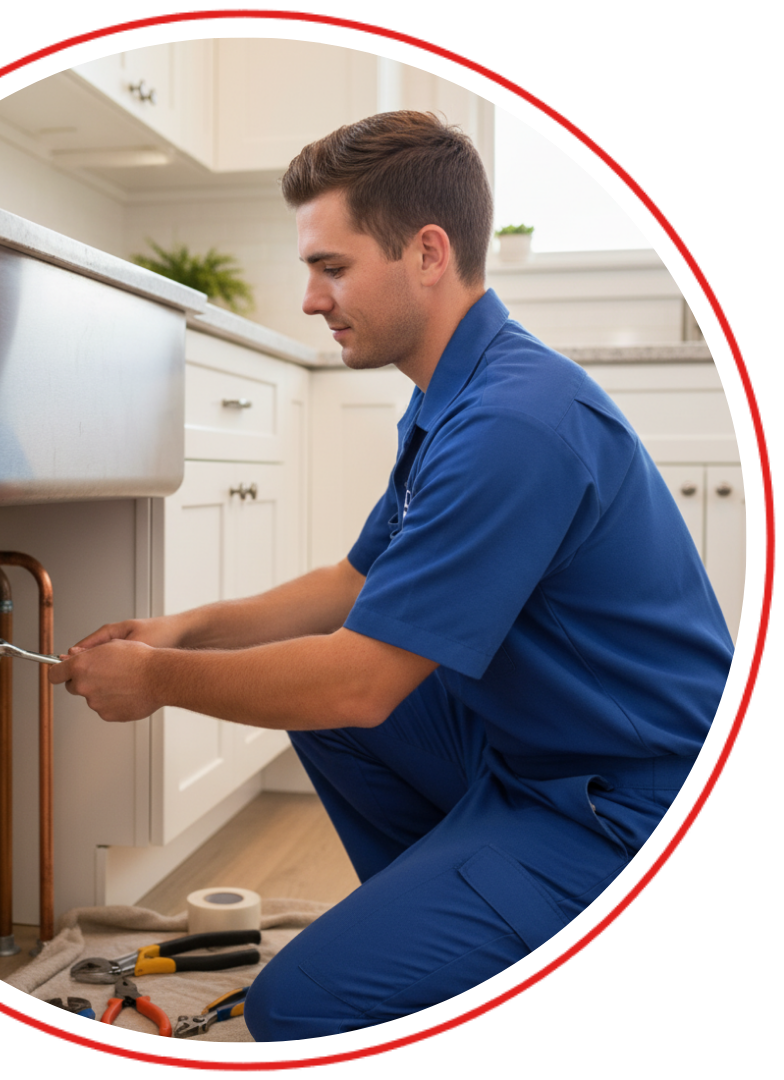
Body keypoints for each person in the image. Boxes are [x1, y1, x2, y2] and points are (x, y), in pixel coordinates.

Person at [49, 111, 734, 1041]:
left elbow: (363, 684)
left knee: (300, 1006)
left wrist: (158, 682)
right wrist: (184, 628)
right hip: (534, 755)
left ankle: (496, 919)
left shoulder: (513, 425)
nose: (309, 299)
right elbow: (353, 580)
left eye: (332, 268)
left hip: (625, 808)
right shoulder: (453, 395)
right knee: (315, 698)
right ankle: (459, 908)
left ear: (427, 252)